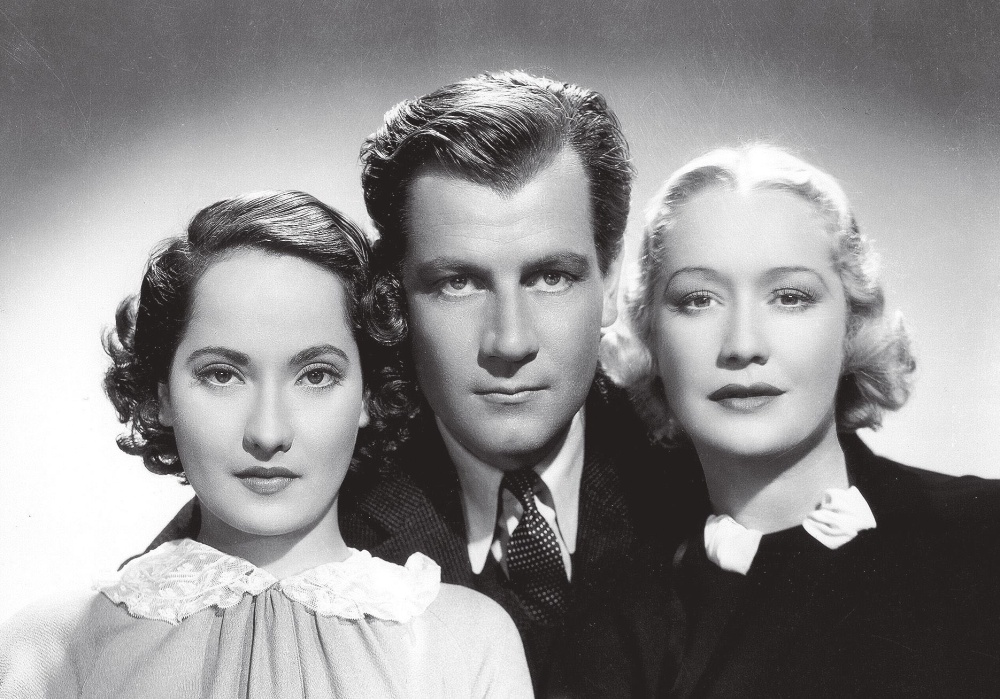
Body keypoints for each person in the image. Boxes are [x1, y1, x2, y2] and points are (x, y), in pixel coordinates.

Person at [149, 71, 707, 693]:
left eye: (550, 277)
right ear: (394, 295)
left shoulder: (701, 474)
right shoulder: (308, 488)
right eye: (457, 283)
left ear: (609, 277)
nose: (509, 342)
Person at [0, 191, 532, 698]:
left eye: (317, 376)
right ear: (161, 396)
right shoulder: (49, 650)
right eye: (222, 375)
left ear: (369, 395)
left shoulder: (469, 643)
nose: (269, 433)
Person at [556, 144, 1000, 697]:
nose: (743, 344)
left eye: (789, 297)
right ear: (650, 337)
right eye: (698, 300)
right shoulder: (613, 626)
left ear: (851, 326)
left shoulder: (982, 541)